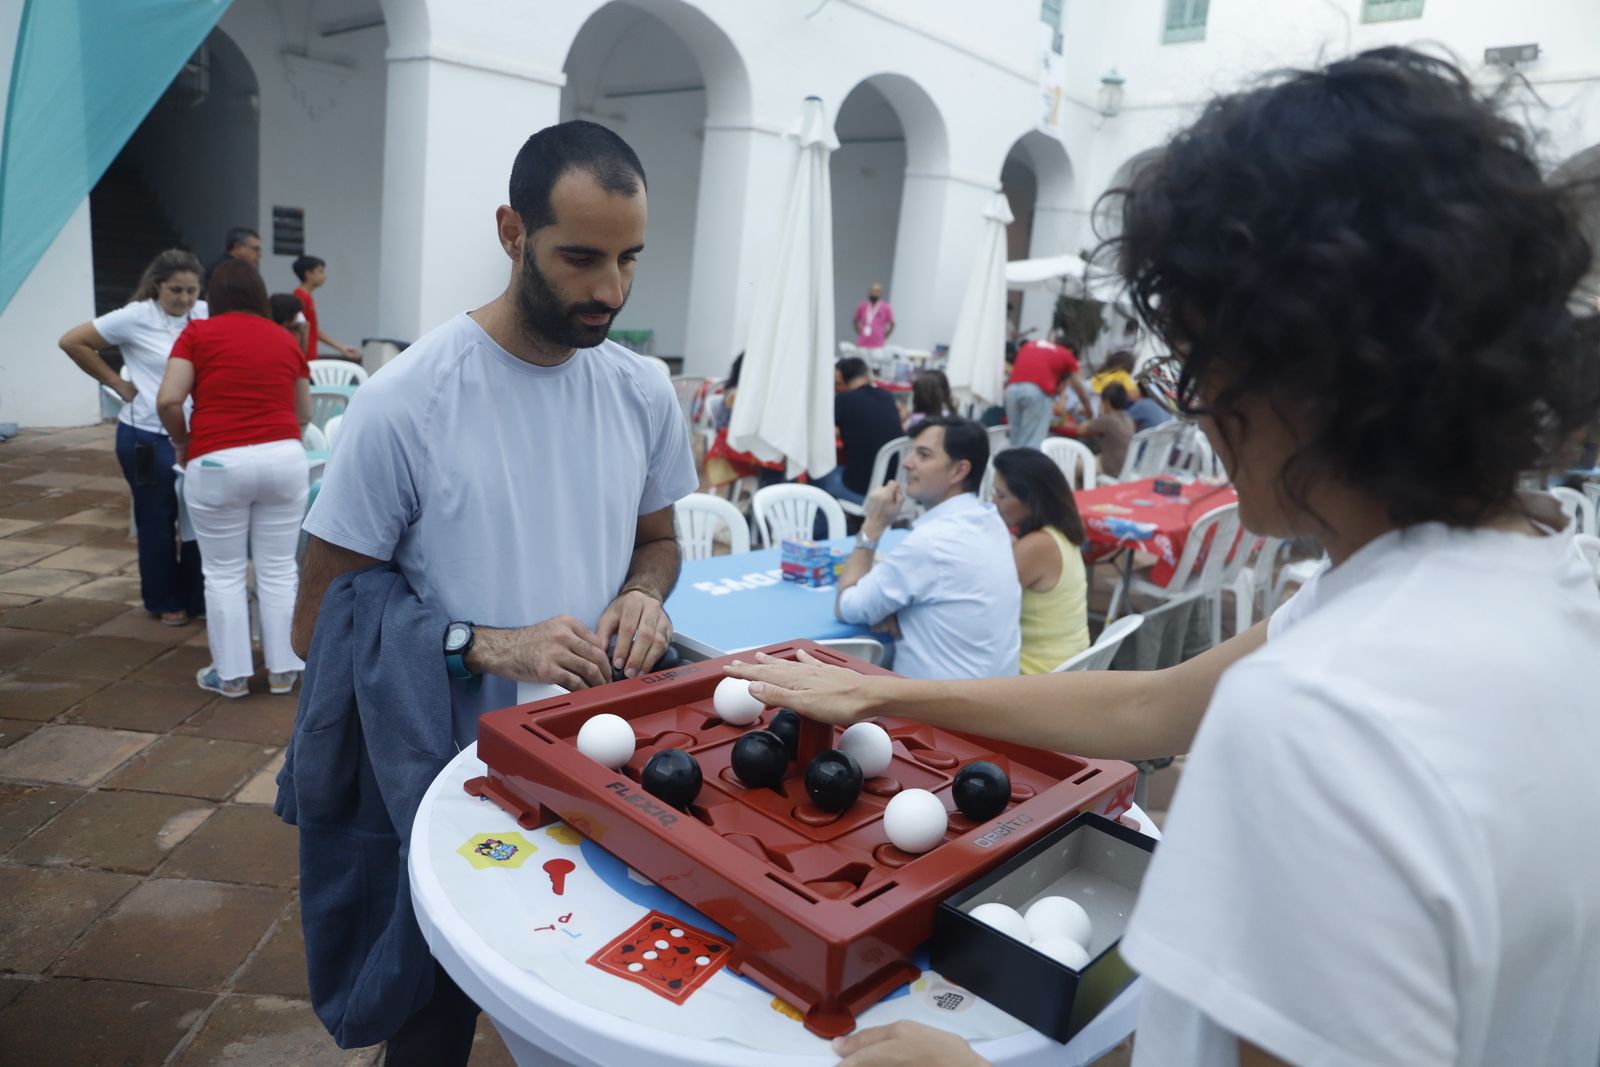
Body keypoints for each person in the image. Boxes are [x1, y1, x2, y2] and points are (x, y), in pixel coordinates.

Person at [726, 48, 1600, 1067]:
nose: (1193, 405)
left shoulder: (1317, 719)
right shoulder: (1541, 569)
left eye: (1195, 358)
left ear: (1300, 362)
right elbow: (1154, 706)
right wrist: (883, 699)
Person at [290, 120, 697, 1064]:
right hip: (448, 782)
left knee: (604, 1013)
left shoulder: (641, 391)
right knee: (430, 1026)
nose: (612, 290)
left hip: (605, 771)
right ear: (513, 232)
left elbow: (660, 540)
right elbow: (321, 624)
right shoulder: (408, 401)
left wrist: (645, 594)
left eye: (631, 258)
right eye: (582, 257)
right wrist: (484, 641)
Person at [156, 259, 311, 699]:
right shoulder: (284, 338)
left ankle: (232, 676)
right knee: (280, 569)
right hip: (284, 457)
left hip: (217, 459)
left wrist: (182, 441)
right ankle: (284, 672)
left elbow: (169, 399)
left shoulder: (198, 334)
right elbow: (304, 412)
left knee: (223, 573)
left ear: (213, 297)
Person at [57, 248, 208, 625]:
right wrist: (118, 384)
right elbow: (72, 341)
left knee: (200, 518)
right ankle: (163, 599)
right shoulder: (135, 316)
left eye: (192, 290)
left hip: (197, 433)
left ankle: (198, 596)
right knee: (156, 518)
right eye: (176, 290)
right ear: (158, 286)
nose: (185, 298)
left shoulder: (204, 314)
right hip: (147, 435)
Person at [835, 416, 1019, 679]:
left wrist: (873, 525)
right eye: (912, 451)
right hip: (994, 696)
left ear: (958, 471)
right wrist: (907, 613)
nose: (907, 462)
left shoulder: (931, 542)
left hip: (937, 713)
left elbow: (847, 608)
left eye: (923, 455)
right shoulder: (990, 520)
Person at [988, 448, 1090, 673]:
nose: (993, 502)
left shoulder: (1037, 546)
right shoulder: (1060, 532)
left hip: (1037, 673)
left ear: (1031, 500)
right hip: (1067, 661)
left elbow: (984, 606)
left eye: (1001, 495)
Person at [815, 356, 905, 506]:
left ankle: (821, 526)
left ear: (841, 380)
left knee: (819, 473)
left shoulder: (844, 400)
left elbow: (822, 431)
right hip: (892, 487)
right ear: (866, 375)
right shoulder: (887, 396)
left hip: (862, 491)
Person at [1005, 332, 1093, 450]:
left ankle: (1011, 466)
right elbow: (1079, 388)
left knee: (1015, 440)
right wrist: (1089, 409)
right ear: (1071, 350)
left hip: (1011, 390)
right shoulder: (1066, 355)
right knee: (1032, 443)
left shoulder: (1031, 344)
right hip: (1035, 392)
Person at [292, 255, 361, 362]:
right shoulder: (300, 298)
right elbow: (298, 329)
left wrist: (340, 347)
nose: (325, 276)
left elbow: (314, 330)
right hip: (304, 359)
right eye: (320, 271)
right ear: (308, 274)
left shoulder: (306, 297)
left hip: (310, 357)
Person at [1077, 381, 1137, 477]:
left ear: (1107, 402)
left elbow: (1080, 430)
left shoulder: (1108, 419)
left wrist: (1091, 418)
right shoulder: (1128, 418)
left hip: (1109, 467)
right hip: (1124, 467)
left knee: (1072, 466)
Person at [854, 281, 895, 349]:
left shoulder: (885, 307)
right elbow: (856, 320)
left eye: (877, 291)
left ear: (880, 293)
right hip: (863, 343)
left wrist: (885, 335)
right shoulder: (862, 306)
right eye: (872, 291)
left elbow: (892, 324)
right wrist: (860, 331)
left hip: (878, 344)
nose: (874, 293)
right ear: (869, 292)